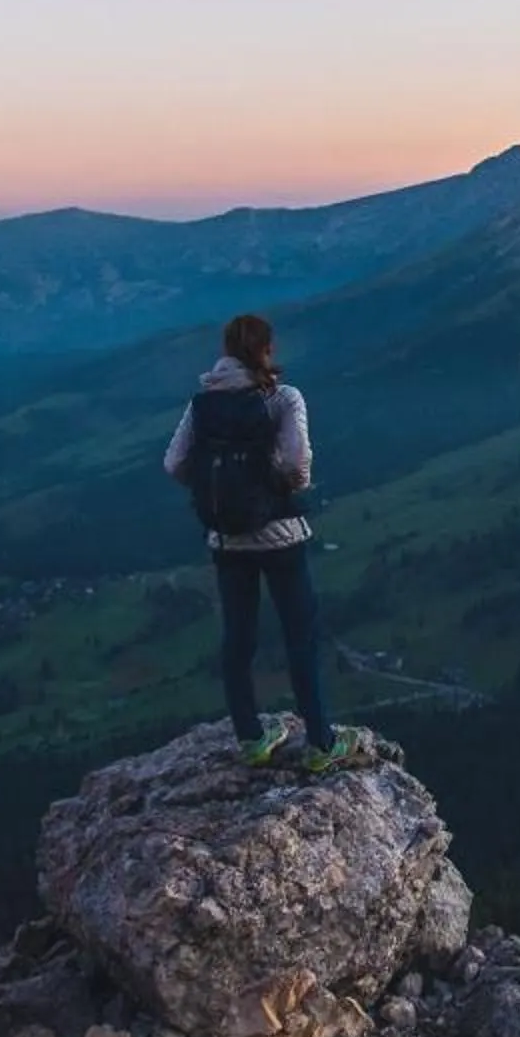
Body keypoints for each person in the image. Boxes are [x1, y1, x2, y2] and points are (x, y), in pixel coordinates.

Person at [162, 313, 362, 773]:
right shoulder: (282, 398)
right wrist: (282, 486)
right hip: (280, 536)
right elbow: (297, 461)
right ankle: (320, 742)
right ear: (267, 349)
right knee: (300, 637)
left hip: (227, 538)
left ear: (227, 350)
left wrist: (217, 486)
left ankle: (251, 739)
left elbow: (173, 463)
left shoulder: (203, 404)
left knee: (238, 638)